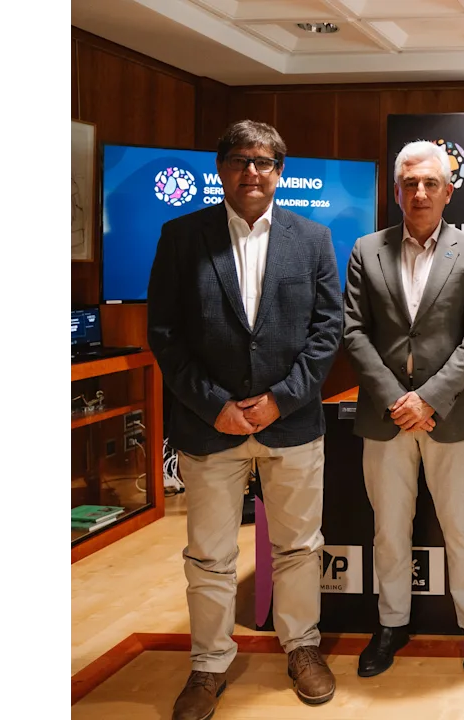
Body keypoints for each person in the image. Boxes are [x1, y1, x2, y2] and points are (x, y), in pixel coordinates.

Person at [147, 119, 343, 719]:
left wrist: (283, 398)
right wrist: (215, 405)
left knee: (299, 547)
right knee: (209, 556)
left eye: (263, 162)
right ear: (221, 169)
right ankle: (208, 665)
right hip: (211, 425)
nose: (251, 172)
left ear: (280, 172)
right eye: (239, 160)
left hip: (292, 423)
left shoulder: (312, 239)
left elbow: (327, 330)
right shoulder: (181, 236)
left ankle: (302, 646)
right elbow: (165, 334)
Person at [342, 140, 464, 678]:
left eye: (431, 183)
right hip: (384, 417)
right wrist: (397, 400)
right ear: (397, 191)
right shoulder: (367, 249)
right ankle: (391, 624)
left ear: (448, 192)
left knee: (462, 526)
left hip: (450, 416)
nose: (421, 192)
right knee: (389, 530)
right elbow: (354, 332)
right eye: (410, 183)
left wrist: (428, 398)